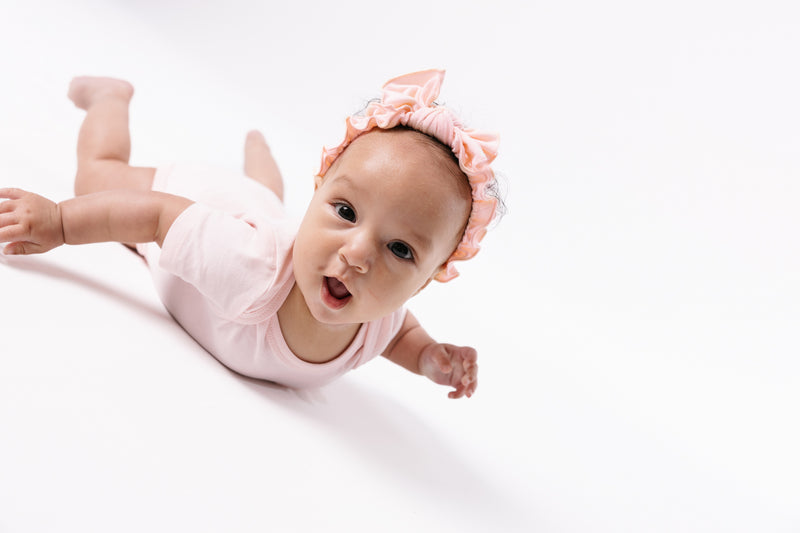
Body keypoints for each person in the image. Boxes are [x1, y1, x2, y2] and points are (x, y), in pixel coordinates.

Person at [0, 70, 501, 399]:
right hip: (199, 197)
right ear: (320, 188)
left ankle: (261, 170)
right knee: (96, 176)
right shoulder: (248, 264)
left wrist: (428, 357)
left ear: (431, 277)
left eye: (399, 249)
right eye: (345, 211)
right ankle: (111, 97)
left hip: (256, 211)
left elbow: (400, 334)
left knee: (265, 201)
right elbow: (153, 215)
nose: (357, 254)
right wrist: (60, 223)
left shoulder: (380, 315)